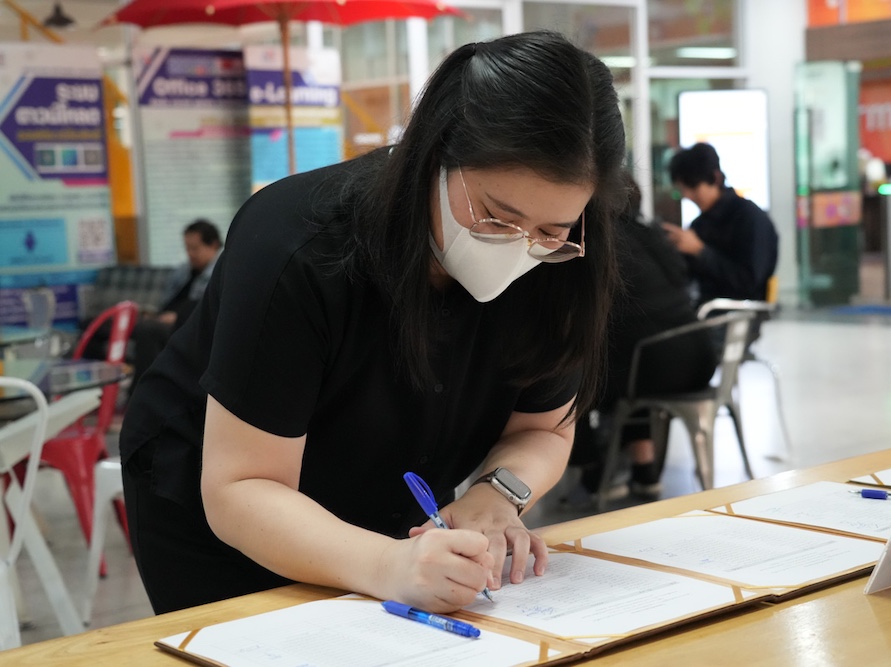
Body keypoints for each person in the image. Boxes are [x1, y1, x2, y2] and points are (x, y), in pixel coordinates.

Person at [120, 31, 627, 616]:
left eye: (551, 231)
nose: (520, 248)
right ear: (435, 154)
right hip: (228, 509)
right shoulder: (297, 246)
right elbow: (241, 488)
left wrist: (497, 495)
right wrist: (388, 566)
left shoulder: (564, 264)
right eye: (496, 217)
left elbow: (544, 429)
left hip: (388, 500)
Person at [568, 175, 717, 505]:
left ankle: (595, 473)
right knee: (625, 358)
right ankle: (643, 469)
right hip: (700, 357)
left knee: (571, 376)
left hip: (655, 365)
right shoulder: (652, 233)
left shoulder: (595, 244)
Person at [662, 143, 778, 305]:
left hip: (739, 312)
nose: (688, 196)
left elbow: (749, 282)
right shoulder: (699, 225)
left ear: (715, 178)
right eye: (682, 190)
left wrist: (700, 251)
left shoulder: (750, 218)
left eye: (693, 187)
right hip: (702, 308)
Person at [131, 219, 223, 382]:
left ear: (213, 245)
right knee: (114, 325)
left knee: (147, 330)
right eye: (187, 248)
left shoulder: (220, 273)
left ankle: (143, 387)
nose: (190, 254)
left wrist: (177, 317)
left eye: (195, 248)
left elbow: (208, 310)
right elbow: (167, 300)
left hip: (186, 326)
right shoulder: (183, 271)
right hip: (164, 319)